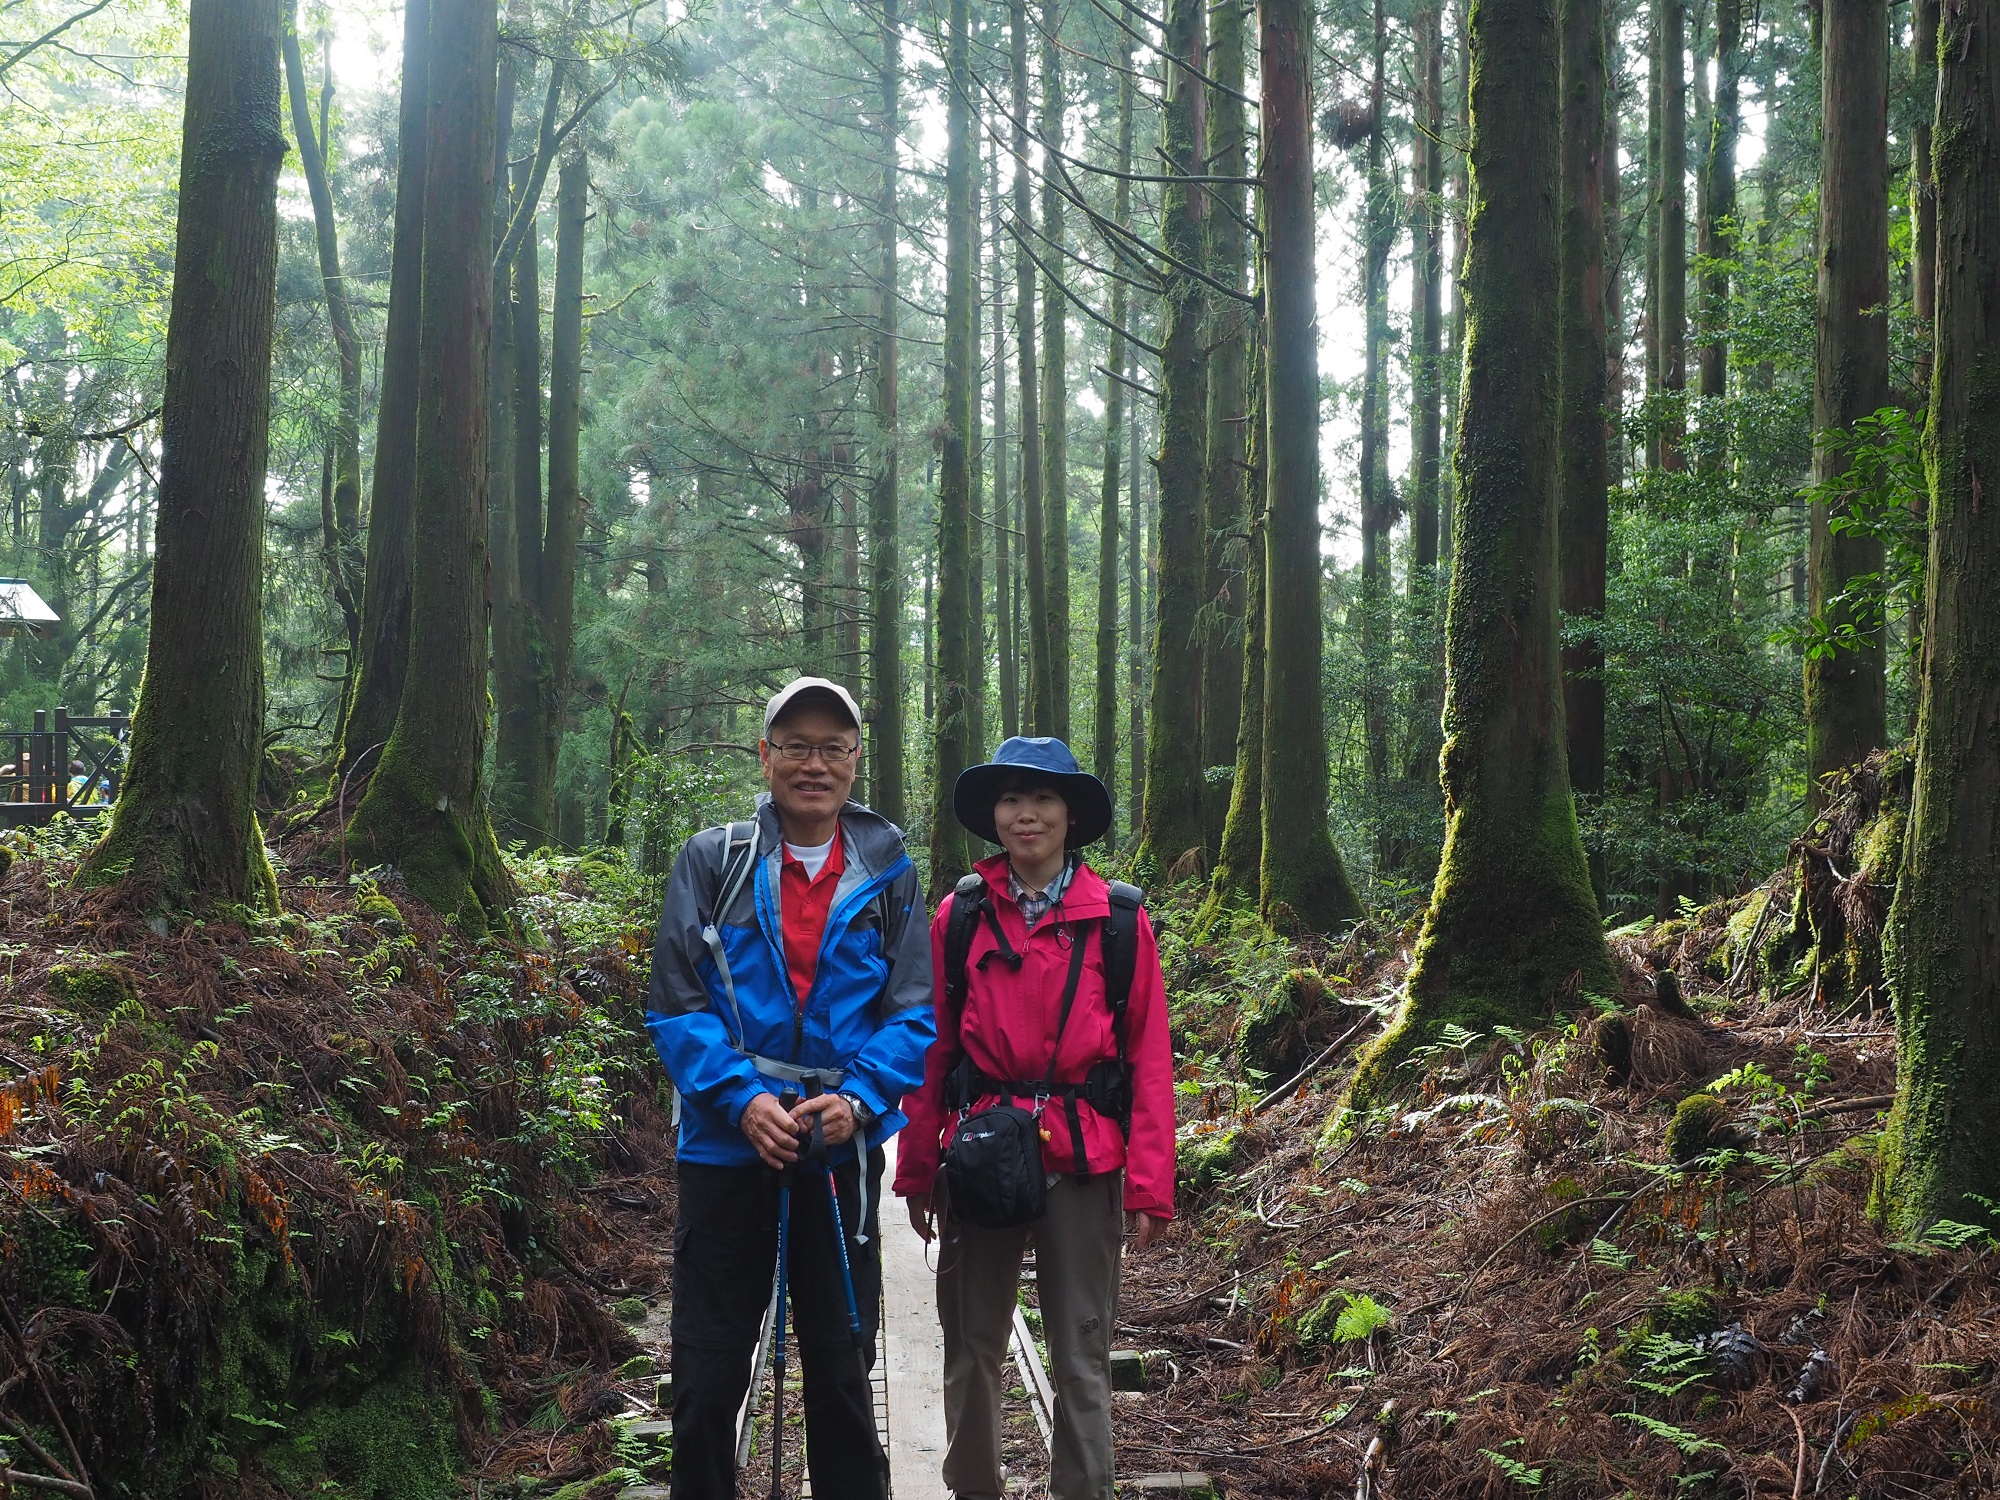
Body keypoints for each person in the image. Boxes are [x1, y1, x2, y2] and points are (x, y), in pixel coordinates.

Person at [644, 676, 936, 1500]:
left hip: (836, 1151)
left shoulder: (890, 875)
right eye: (797, 746)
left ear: (856, 760)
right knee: (706, 1372)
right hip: (724, 1143)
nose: (816, 764)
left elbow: (914, 1012)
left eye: (833, 748)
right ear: (766, 756)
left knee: (843, 1366)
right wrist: (742, 1101)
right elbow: (676, 1003)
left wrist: (860, 1102)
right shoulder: (715, 860)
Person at [896, 736, 1175, 1500]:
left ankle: (1082, 1489)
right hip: (983, 1150)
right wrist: (918, 1168)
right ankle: (972, 1488)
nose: (1027, 815)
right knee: (973, 1341)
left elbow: (1150, 1057)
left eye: (1044, 799)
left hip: (1085, 1157)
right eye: (1013, 800)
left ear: (1070, 816)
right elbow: (934, 1049)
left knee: (1083, 1346)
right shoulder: (960, 916)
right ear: (994, 815)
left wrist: (1152, 1185)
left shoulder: (1118, 920)